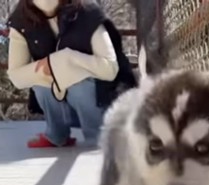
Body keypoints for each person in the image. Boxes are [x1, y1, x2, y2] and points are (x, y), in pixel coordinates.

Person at [7, 0, 137, 148]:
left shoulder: (87, 11)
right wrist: (50, 67)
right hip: (66, 108)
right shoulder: (21, 20)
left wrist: (66, 59)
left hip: (104, 102)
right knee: (40, 82)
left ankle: (99, 139)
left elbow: (110, 68)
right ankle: (56, 135)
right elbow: (16, 76)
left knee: (78, 84)